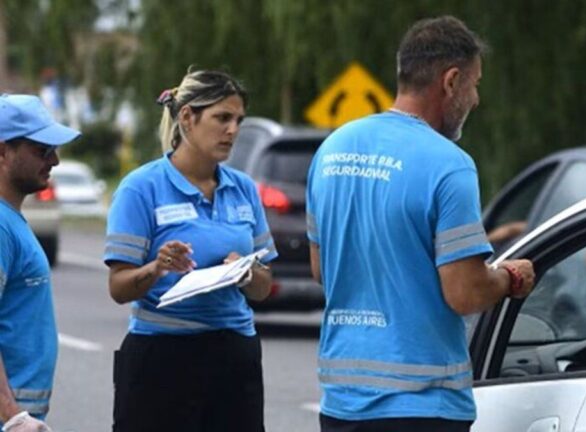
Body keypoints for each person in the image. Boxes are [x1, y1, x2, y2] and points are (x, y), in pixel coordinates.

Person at [306, 15, 536, 432]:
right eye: (475, 84)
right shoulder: (449, 166)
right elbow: (465, 293)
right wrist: (509, 278)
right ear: (451, 82)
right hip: (422, 406)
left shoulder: (332, 150)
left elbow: (322, 269)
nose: (476, 100)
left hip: (340, 403)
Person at [103, 70, 277, 432]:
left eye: (238, 120)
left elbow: (263, 288)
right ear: (187, 118)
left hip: (235, 355)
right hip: (162, 357)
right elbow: (119, 287)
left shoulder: (243, 189)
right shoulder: (141, 188)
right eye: (222, 118)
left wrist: (247, 273)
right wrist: (157, 267)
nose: (233, 130)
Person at [0, 94, 81, 431]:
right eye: (41, 150)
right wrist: (12, 415)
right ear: (3, 151)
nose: (55, 160)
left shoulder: (11, 220)